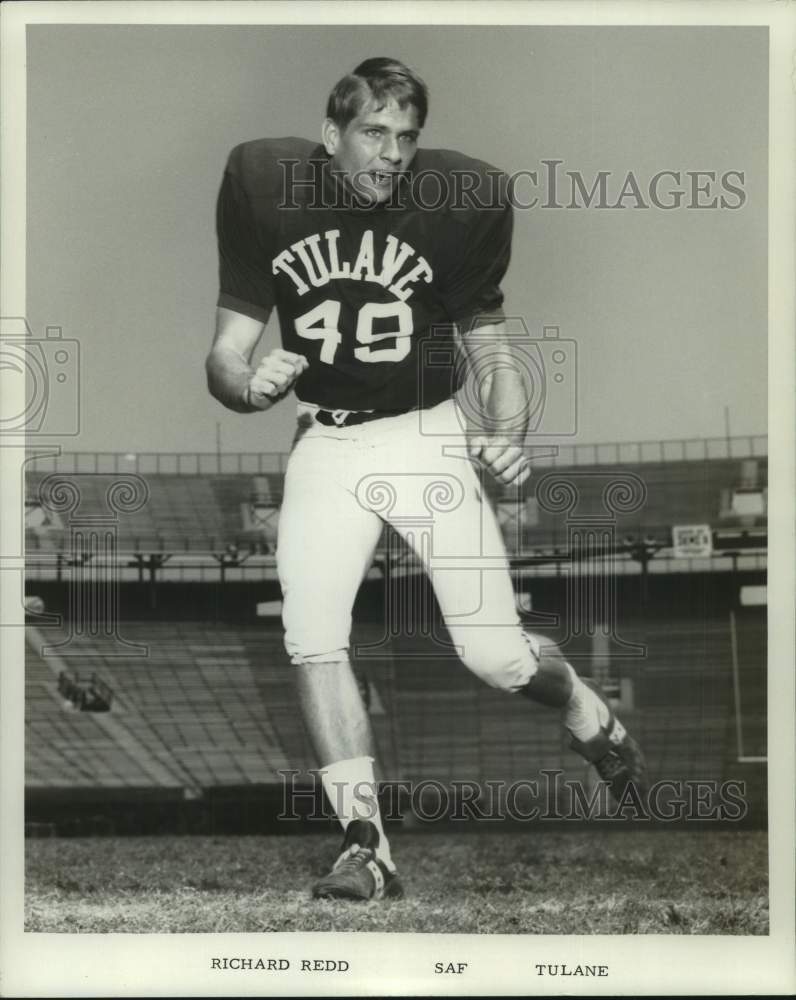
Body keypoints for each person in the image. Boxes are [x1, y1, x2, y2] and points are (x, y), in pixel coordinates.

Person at [206, 57, 648, 901]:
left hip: (425, 435)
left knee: (495, 657)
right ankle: (366, 846)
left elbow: (493, 353)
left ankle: (585, 710)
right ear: (330, 134)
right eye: (374, 132)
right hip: (327, 443)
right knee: (313, 637)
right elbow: (226, 354)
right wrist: (246, 383)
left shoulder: (462, 200)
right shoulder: (263, 184)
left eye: (406, 136)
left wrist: (509, 430)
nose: (392, 153)